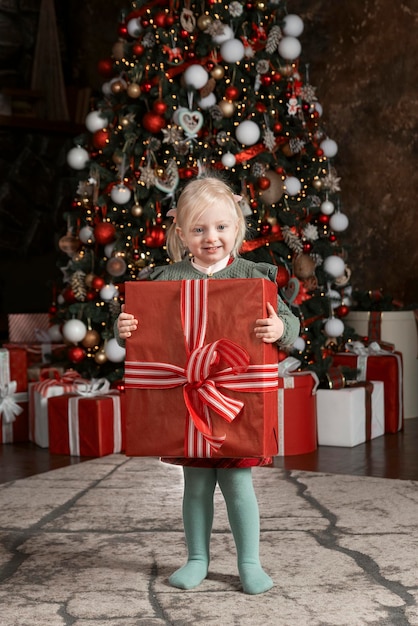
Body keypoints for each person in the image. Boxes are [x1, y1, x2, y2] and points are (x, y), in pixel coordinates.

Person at [116, 176, 300, 595]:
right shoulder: (164, 278)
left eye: (220, 227)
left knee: (237, 484)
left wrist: (279, 327)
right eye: (198, 229)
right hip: (187, 403)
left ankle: (249, 562)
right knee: (196, 484)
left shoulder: (254, 276)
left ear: (237, 226)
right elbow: (138, 327)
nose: (210, 238)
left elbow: (290, 322)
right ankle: (197, 558)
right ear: (181, 234)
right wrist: (122, 325)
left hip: (237, 401)